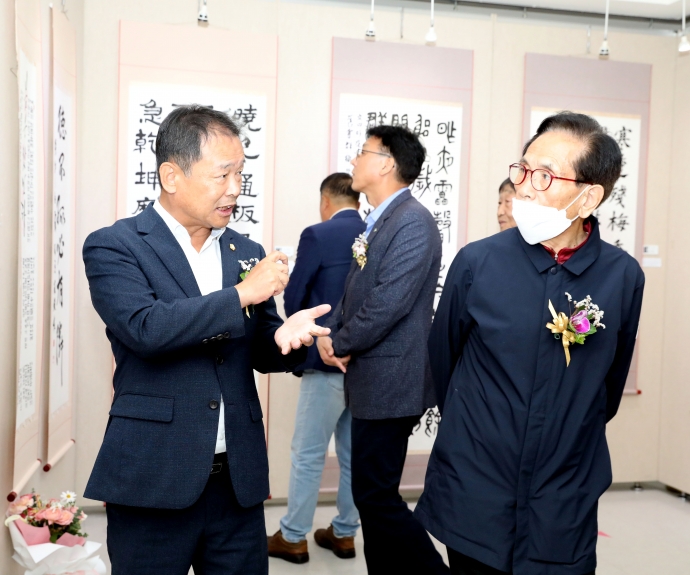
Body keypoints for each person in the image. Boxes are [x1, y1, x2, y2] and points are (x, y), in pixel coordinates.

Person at [82, 105, 330, 575]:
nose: (235, 188)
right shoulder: (116, 245)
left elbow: (257, 346)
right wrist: (242, 294)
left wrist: (285, 337)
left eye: (240, 174)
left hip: (236, 482)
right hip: (154, 477)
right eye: (222, 174)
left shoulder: (245, 250)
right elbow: (146, 328)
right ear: (171, 176)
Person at [415, 112, 645, 575]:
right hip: (476, 487)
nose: (523, 187)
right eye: (522, 170)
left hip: (564, 493)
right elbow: (443, 362)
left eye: (544, 176)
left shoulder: (621, 277)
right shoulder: (478, 262)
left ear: (589, 196)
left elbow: (607, 387)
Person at [317, 125, 449, 575]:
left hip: (392, 380)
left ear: (387, 164)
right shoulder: (383, 218)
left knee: (375, 496)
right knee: (372, 495)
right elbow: (356, 291)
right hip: (374, 378)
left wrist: (338, 342)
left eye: (362, 152)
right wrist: (333, 332)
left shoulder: (412, 221)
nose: (354, 160)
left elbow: (388, 303)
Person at [266, 173, 365, 563]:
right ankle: (345, 534)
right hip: (364, 365)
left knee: (308, 453)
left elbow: (296, 298)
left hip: (324, 363)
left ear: (326, 200)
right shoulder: (376, 233)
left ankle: (293, 536)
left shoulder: (318, 234)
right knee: (353, 455)